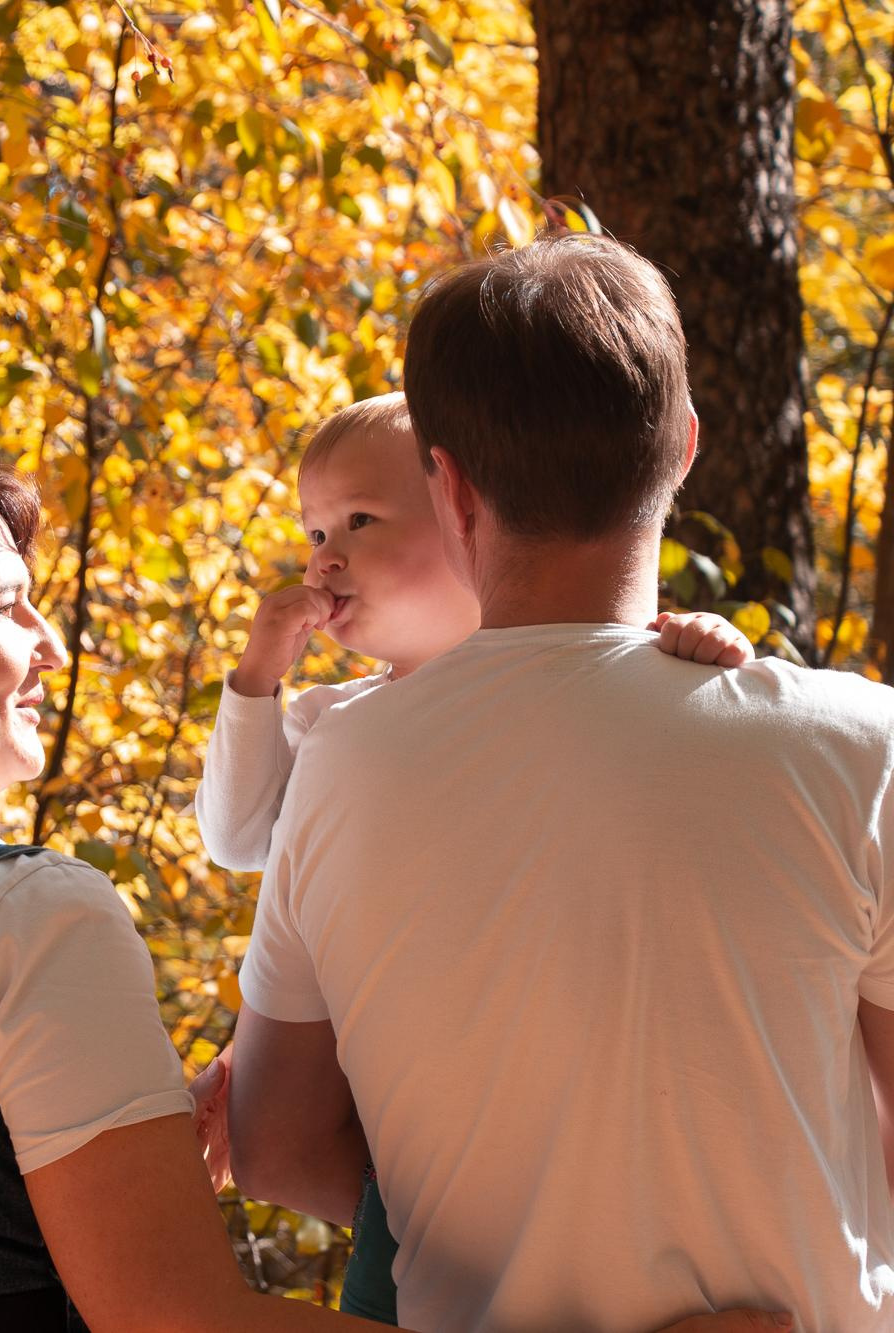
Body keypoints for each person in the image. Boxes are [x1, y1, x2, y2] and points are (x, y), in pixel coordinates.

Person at [0, 443, 783, 1333]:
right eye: (7, 605)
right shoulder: (19, 915)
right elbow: (179, 1321)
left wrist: (140, 1146)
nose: (50, 643)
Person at [213, 231, 894, 1332]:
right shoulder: (860, 745)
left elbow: (275, 1146)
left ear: (447, 483)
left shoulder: (337, 768)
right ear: (680, 446)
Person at [190, 392, 752, 1324]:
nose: (324, 556)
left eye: (360, 522)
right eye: (314, 531)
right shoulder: (336, 724)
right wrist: (257, 678)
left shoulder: (588, 678)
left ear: (465, 516)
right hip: (407, 1139)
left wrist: (696, 647)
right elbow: (237, 835)